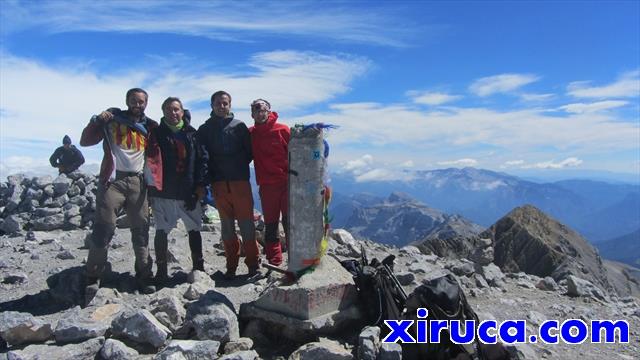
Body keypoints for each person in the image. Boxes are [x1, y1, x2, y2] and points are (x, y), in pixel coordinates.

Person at [80, 88, 159, 298]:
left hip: (138, 182)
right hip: (113, 180)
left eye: (141, 101)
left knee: (141, 230)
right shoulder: (112, 119)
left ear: (146, 103)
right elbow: (85, 141)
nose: (138, 104)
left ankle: (144, 275)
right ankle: (93, 276)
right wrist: (96, 121)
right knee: (103, 228)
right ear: (127, 101)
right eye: (134, 100)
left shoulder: (150, 127)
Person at [196, 90, 259, 279]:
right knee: (227, 227)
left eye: (225, 103)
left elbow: (249, 152)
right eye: (218, 103)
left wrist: (237, 166)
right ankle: (231, 266)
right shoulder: (205, 129)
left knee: (247, 226)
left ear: (230, 105)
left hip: (239, 182)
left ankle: (253, 265)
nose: (221, 106)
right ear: (212, 105)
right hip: (219, 184)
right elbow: (202, 156)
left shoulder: (239, 127)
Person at [146, 97, 204, 284]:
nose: (173, 113)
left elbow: (202, 161)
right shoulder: (155, 134)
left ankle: (198, 268)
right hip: (163, 192)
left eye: (176, 109)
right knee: (162, 230)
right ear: (163, 112)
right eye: (169, 109)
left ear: (182, 111)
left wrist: (200, 186)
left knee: (194, 229)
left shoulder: (192, 134)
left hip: (188, 191)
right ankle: (161, 270)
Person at [249, 99, 290, 266]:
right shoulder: (250, 133)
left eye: (263, 110)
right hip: (267, 186)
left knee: (290, 223)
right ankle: (275, 261)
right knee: (271, 225)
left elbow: (296, 154)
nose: (260, 113)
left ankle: (297, 259)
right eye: (256, 110)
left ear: (269, 111)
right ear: (252, 114)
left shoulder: (283, 130)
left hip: (287, 184)